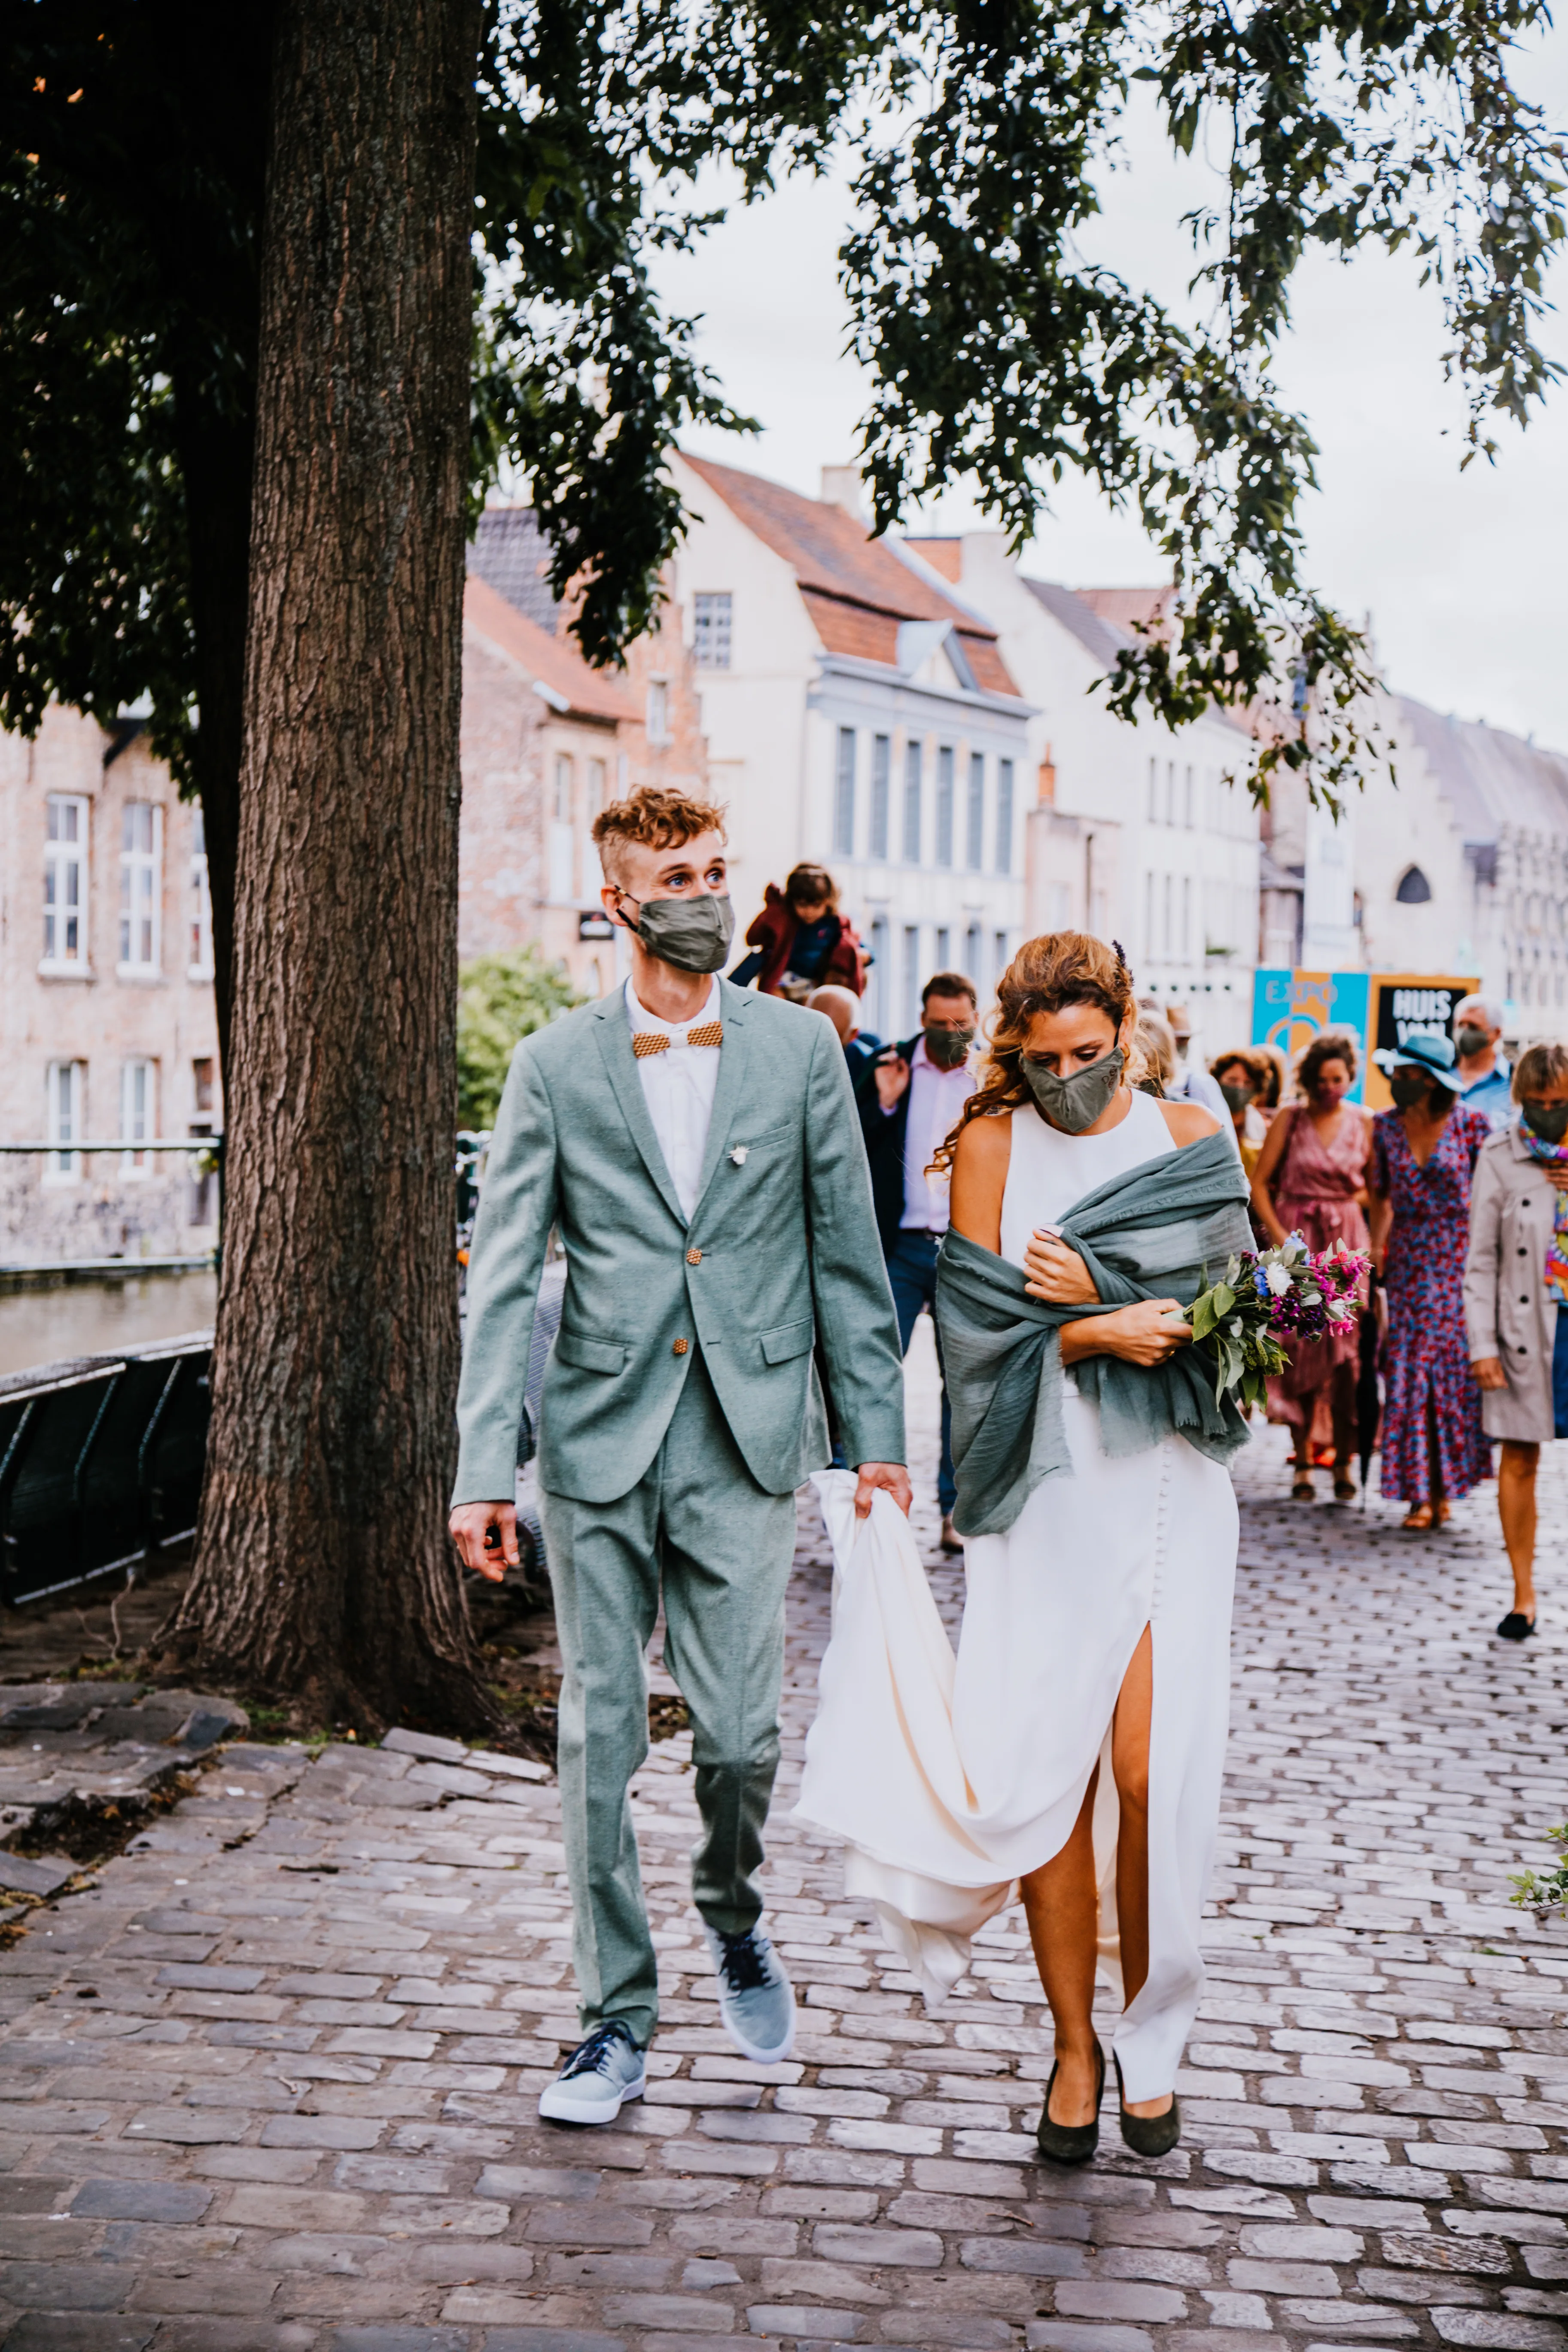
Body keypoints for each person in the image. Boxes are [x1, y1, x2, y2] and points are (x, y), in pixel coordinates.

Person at [450, 785, 910, 2126]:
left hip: (748, 1432)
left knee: (741, 1737)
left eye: (720, 868)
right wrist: (486, 1465)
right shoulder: (551, 1063)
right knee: (597, 1734)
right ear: (620, 901)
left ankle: (731, 1902)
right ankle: (613, 2020)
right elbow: (501, 1279)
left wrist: (873, 1439)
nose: (707, 892)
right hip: (596, 1436)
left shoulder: (797, 1051)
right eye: (678, 874)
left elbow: (847, 1256)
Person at [799, 932, 1253, 2167]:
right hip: (1041, 1495)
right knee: (1049, 1778)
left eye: (1089, 1053)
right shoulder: (991, 1145)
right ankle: (1071, 2045)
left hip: (1164, 1488)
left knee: (1152, 1773)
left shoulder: (1184, 1139)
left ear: (1125, 1023)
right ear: (1018, 1046)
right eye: (1045, 1058)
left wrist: (1171, 1318)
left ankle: (1154, 2033)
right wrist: (1099, 1323)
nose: (1069, 1077)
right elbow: (978, 1345)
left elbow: (1243, 1322)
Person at [859, 971, 980, 1551]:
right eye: (938, 1024)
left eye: (960, 1024)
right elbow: (850, 1145)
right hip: (901, 1244)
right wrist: (882, 1102)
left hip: (964, 1248)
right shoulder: (890, 1066)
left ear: (976, 1019)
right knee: (877, 1371)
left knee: (960, 1385)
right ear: (920, 1018)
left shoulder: (993, 1076)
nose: (950, 1034)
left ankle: (954, 1510)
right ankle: (867, 1502)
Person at [1367, 1031, 1492, 1531]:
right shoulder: (1385, 1127)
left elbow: (1492, 1197)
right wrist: (1375, 1257)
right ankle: (1420, 1492)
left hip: (1461, 1261)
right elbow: (1380, 1195)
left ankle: (1444, 1489)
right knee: (1408, 1373)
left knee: (1451, 1376)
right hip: (1409, 1264)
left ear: (1429, 1078)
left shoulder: (1472, 1125)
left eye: (1406, 1072)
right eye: (1395, 1072)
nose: (1397, 1079)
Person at [1465, 1042, 1568, 1637]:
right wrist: (1481, 1343)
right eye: (1537, 1103)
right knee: (1519, 1456)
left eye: (1559, 1103)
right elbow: (1480, 1258)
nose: (1548, 1112)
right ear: (1519, 1098)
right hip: (1524, 1328)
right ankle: (1522, 1595)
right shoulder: (1499, 1153)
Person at [1249, 1031, 1373, 1500]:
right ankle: (1302, 1459)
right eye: (1321, 1079)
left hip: (1346, 1248)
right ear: (1307, 1078)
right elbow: (1260, 1184)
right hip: (1297, 1242)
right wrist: (1285, 1240)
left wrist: (1370, 1242)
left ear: (1350, 1077)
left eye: (1338, 1079)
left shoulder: (1365, 1121)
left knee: (1348, 1361)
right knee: (1299, 1349)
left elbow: (1378, 1192)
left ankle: (1343, 1460)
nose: (1329, 1088)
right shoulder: (1291, 1117)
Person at [730, 864, 868, 998]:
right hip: (784, 978)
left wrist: (864, 956)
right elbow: (752, 939)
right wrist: (771, 913)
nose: (809, 912)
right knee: (775, 999)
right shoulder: (784, 920)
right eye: (802, 905)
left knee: (815, 1005)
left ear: (828, 902)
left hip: (816, 982)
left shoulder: (836, 924)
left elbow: (858, 949)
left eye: (816, 906)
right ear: (792, 902)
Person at [808, 982, 882, 1092]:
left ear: (854, 1035)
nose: (821, 1043)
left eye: (833, 1038)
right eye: (814, 1033)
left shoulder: (866, 1070)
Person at [1210, 1048, 1273, 1175]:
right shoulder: (1203, 1121)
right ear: (1217, 1081)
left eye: (1248, 1083)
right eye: (1232, 1080)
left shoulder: (1265, 1129)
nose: (1240, 1087)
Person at [1455, 995, 1513, 1130]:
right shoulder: (1438, 1076)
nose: (1464, 1032)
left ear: (1497, 1033)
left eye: (1473, 1027)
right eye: (1460, 1025)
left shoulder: (1514, 1080)